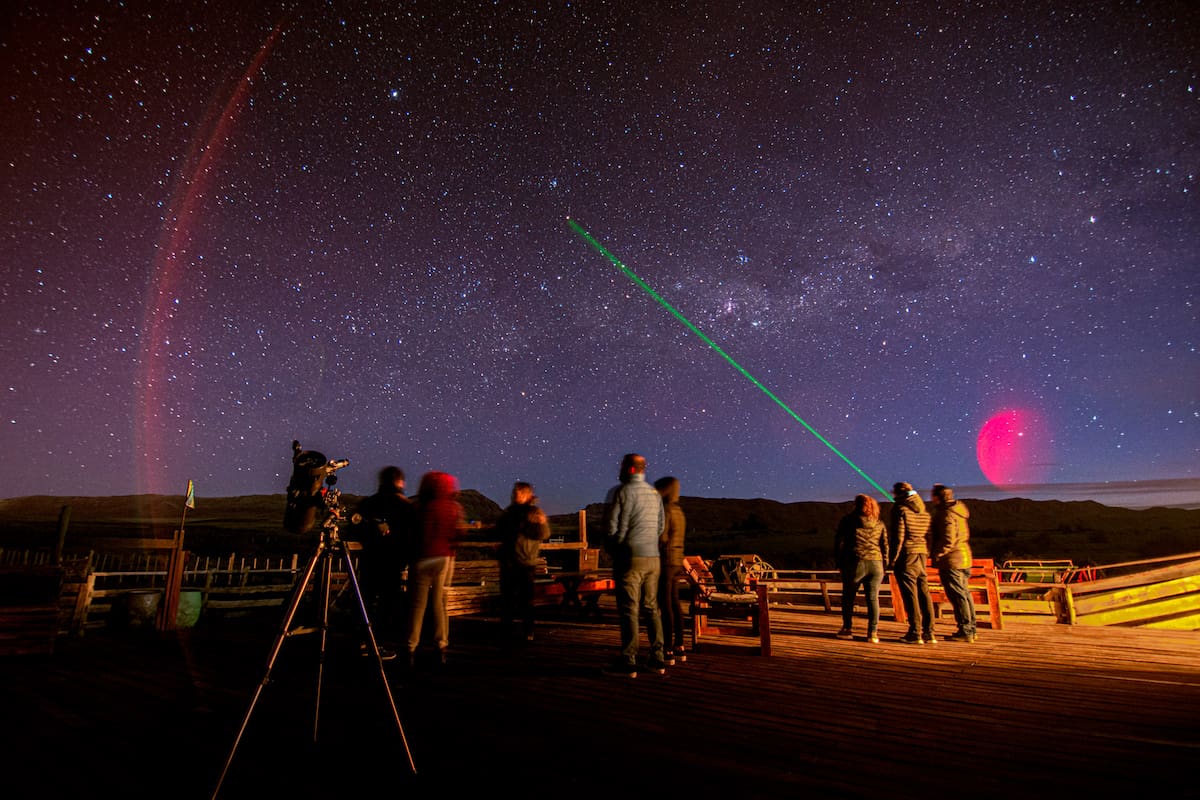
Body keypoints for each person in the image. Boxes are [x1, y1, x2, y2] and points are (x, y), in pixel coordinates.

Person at [602, 453, 666, 677]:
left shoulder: (621, 492)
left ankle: (628, 660)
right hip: (653, 558)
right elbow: (660, 527)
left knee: (630, 608)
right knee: (651, 607)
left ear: (629, 469)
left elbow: (612, 527)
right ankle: (658, 658)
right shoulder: (654, 494)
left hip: (630, 557)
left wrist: (615, 548)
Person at [352, 466, 417, 649]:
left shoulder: (368, 503)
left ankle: (361, 640)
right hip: (393, 561)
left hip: (369, 558)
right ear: (400, 482)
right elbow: (412, 534)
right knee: (388, 603)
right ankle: (378, 643)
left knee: (364, 599)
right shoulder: (405, 506)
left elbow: (355, 529)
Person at [405, 471, 464, 667]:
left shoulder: (421, 507)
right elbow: (459, 533)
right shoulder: (454, 507)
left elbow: (418, 534)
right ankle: (441, 646)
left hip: (422, 558)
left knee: (417, 605)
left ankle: (410, 648)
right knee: (439, 603)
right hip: (444, 558)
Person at [495, 481, 551, 645]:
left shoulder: (534, 512)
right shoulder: (508, 513)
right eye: (515, 492)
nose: (516, 495)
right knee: (507, 600)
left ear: (527, 494)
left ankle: (528, 630)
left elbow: (543, 533)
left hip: (526, 562)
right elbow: (499, 531)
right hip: (508, 562)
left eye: (519, 492)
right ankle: (506, 631)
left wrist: (539, 523)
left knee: (527, 600)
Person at [834, 494, 889, 643]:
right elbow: (885, 545)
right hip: (876, 563)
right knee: (872, 598)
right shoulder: (879, 523)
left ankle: (847, 629)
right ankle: (873, 632)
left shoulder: (848, 521)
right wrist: (885, 563)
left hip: (855, 562)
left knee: (848, 597)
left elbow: (839, 542)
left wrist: (838, 562)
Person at [888, 481, 936, 644]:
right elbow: (929, 535)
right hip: (921, 554)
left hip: (907, 555)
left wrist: (892, 559)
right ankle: (929, 632)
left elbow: (898, 537)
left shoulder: (900, 510)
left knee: (910, 595)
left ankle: (915, 632)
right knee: (924, 593)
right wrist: (926, 551)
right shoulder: (924, 512)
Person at [929, 483, 977, 642]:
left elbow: (948, 539)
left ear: (937, 497)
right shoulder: (959, 511)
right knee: (964, 594)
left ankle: (965, 630)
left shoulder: (946, 514)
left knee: (958, 596)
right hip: (964, 557)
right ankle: (971, 628)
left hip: (952, 560)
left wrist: (937, 553)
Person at [655, 476, 687, 665]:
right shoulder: (679, 511)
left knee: (665, 604)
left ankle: (666, 648)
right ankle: (679, 645)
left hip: (665, 561)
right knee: (675, 604)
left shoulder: (665, 510)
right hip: (676, 561)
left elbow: (662, 536)